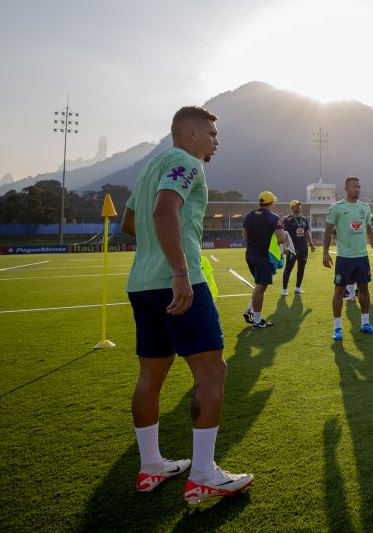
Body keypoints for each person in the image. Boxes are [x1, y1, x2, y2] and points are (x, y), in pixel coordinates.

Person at [120, 105, 253, 504]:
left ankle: (151, 467)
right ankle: (203, 474)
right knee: (212, 373)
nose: (217, 140)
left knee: (150, 376)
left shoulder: (151, 166)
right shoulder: (185, 161)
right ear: (192, 133)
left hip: (141, 284)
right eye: (212, 134)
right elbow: (164, 210)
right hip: (178, 282)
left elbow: (130, 222)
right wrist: (179, 270)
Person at [323, 176, 373, 340]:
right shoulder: (336, 207)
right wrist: (325, 252)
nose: (357, 189)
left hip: (362, 257)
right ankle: (337, 328)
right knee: (339, 291)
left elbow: (369, 230)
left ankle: (365, 323)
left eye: (359, 187)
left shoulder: (365, 207)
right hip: (344, 258)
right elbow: (328, 230)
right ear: (346, 188)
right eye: (354, 187)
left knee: (364, 291)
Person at [242, 191, 286, 328]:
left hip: (250, 254)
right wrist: (276, 244)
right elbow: (282, 238)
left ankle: (250, 310)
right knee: (261, 287)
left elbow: (244, 237)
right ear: (272, 203)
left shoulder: (249, 216)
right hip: (263, 256)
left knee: (260, 285)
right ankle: (257, 321)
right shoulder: (273, 217)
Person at [281, 200, 315, 296]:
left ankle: (297, 288)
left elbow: (307, 232)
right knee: (288, 268)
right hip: (292, 248)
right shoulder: (287, 220)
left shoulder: (304, 219)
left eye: (299, 206)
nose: (298, 207)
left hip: (303, 248)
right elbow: (284, 235)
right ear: (291, 208)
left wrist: (311, 244)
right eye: (296, 206)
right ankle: (284, 289)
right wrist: (284, 247)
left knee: (301, 268)